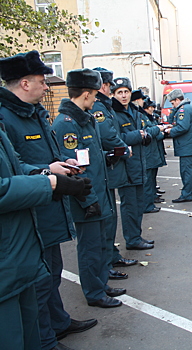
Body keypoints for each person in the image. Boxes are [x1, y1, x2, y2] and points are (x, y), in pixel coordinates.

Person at [0, 50, 96, 350]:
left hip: (43, 205)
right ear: (25, 83)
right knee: (38, 284)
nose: (47, 87)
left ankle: (57, 322)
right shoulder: (7, 117)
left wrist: (55, 167)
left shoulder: (34, 113)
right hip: (30, 212)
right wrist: (49, 178)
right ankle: (46, 339)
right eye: (42, 81)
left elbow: (21, 163)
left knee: (49, 274)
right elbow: (11, 175)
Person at [52, 68, 126, 308]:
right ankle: (94, 293)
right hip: (86, 198)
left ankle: (100, 283)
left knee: (100, 245)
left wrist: (106, 155)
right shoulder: (67, 124)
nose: (96, 99)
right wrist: (88, 200)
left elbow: (89, 158)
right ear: (85, 94)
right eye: (94, 94)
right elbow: (73, 169)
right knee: (89, 249)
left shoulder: (85, 118)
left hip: (98, 194)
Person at [90, 67, 137, 281]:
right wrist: (124, 148)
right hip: (105, 166)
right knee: (106, 218)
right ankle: (106, 262)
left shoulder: (104, 105)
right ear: (104, 85)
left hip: (110, 165)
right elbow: (108, 135)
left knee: (111, 215)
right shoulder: (99, 106)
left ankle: (111, 255)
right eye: (110, 86)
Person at [112, 77, 155, 250]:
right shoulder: (113, 113)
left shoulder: (134, 110)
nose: (123, 96)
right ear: (114, 94)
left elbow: (143, 131)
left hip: (138, 164)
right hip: (126, 167)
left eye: (126, 92)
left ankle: (136, 236)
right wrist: (139, 135)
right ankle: (132, 239)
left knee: (138, 205)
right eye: (119, 92)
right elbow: (115, 139)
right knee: (129, 206)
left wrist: (145, 136)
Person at [130, 89, 167, 213]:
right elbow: (146, 132)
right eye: (141, 99)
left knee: (151, 180)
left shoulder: (141, 115)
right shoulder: (139, 115)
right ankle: (147, 205)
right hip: (147, 151)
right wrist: (158, 129)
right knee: (147, 182)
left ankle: (150, 202)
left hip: (151, 152)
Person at [167, 88, 192, 203]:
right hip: (189, 145)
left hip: (186, 146)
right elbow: (174, 121)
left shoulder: (183, 110)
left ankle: (186, 194)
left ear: (177, 100)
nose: (172, 105)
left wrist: (170, 131)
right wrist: (173, 110)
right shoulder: (186, 108)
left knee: (186, 171)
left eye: (172, 103)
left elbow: (182, 127)